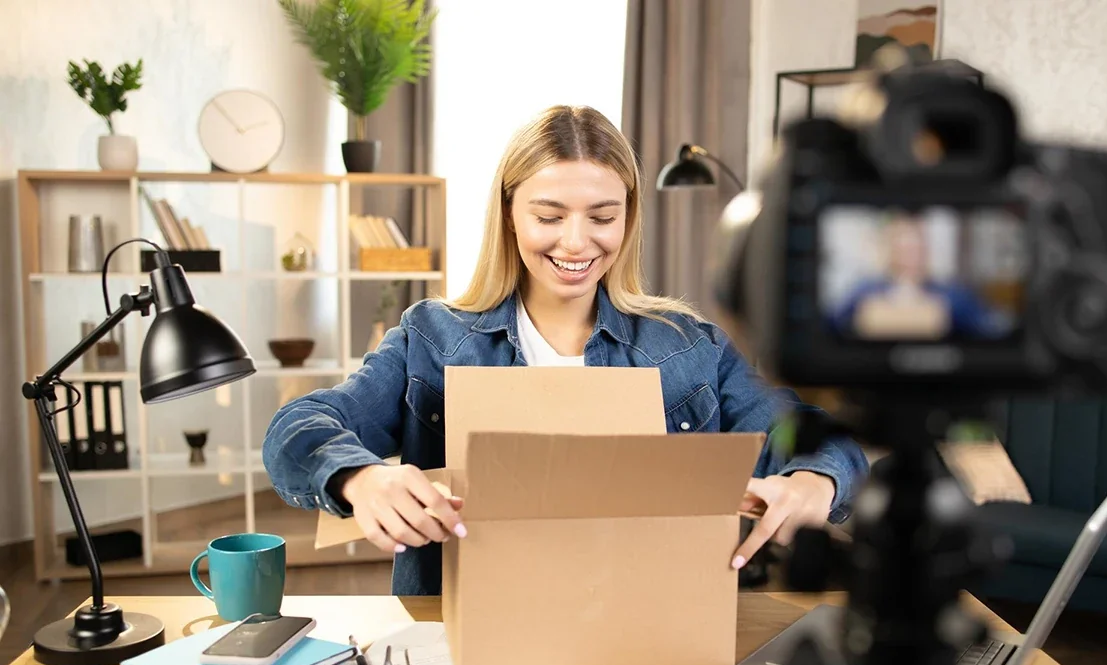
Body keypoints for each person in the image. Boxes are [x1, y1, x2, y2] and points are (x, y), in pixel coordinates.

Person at [262, 105, 869, 596]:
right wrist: (360, 478)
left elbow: (812, 432)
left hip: (651, 631)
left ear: (628, 220)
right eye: (549, 216)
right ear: (508, 216)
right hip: (463, 638)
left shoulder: (690, 347)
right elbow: (297, 428)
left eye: (602, 216)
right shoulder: (432, 338)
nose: (576, 242)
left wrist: (817, 480)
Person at [830, 214, 1007, 340]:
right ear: (893, 249)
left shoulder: (951, 293)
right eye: (905, 248)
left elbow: (990, 326)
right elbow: (833, 323)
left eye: (916, 247)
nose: (912, 255)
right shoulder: (866, 290)